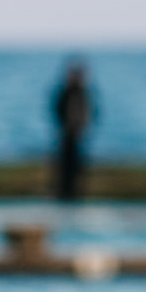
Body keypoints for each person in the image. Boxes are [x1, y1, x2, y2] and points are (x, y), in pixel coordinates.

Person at [51, 58, 94, 199]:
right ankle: (62, 192)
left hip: (78, 133)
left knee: (77, 164)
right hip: (66, 132)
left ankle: (74, 192)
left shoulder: (82, 92)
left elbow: (89, 112)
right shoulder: (66, 91)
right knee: (64, 164)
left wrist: (82, 126)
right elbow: (57, 110)